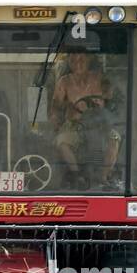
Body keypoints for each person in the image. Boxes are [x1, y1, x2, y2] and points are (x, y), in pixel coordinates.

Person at [50, 50, 121, 189]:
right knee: (61, 142)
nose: (77, 64)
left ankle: (104, 176)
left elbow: (113, 98)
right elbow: (55, 108)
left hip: (100, 126)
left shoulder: (100, 78)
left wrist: (102, 100)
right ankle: (77, 175)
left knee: (115, 139)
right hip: (74, 126)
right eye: (73, 61)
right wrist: (57, 122)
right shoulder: (64, 82)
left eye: (81, 60)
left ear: (89, 60)